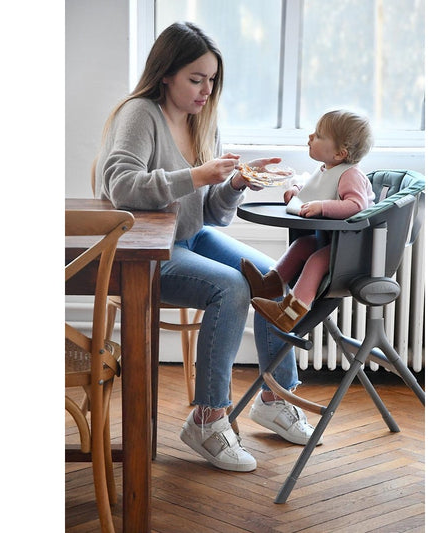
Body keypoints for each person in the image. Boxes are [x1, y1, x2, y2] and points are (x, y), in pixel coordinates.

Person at [94, 22, 316, 473]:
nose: (206, 90)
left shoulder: (203, 121)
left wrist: (233, 183)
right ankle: (208, 418)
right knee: (232, 288)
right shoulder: (140, 114)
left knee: (273, 275)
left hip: (189, 236)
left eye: (212, 80)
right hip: (143, 248)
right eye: (196, 79)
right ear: (166, 74)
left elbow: (210, 214)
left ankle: (274, 397)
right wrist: (197, 175)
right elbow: (120, 186)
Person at [241, 110, 375, 332]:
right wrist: (297, 191)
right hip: (333, 241)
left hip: (352, 249)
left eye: (319, 135)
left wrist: (322, 207)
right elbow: (314, 188)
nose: (311, 137)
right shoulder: (328, 169)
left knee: (315, 261)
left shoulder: (351, 175)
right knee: (302, 245)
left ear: (340, 153)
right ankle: (268, 286)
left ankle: (289, 313)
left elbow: (356, 206)